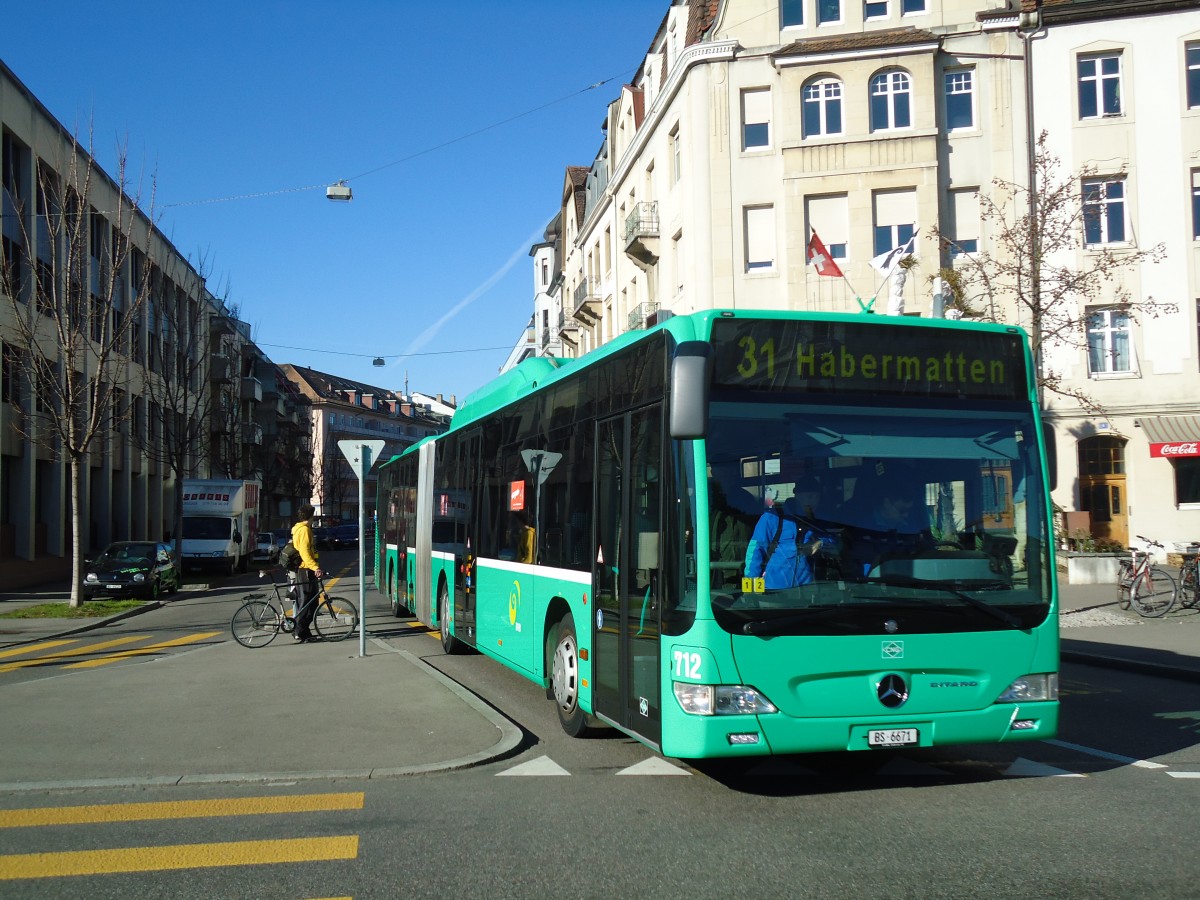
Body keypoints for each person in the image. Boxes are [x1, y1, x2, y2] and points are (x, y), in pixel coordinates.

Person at [743, 476, 827, 589]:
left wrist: (821, 543)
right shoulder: (773, 517)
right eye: (809, 496)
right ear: (797, 496)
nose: (813, 501)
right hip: (772, 591)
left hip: (808, 591)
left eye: (817, 497)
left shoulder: (819, 521)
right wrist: (750, 590)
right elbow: (754, 552)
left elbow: (836, 541)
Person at [290, 504, 324, 643]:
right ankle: (299, 631)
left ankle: (304, 632)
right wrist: (315, 567)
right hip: (306, 569)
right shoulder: (304, 530)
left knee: (309, 602)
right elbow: (304, 551)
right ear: (310, 516)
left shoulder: (300, 528)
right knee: (308, 602)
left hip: (304, 569)